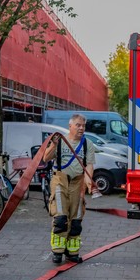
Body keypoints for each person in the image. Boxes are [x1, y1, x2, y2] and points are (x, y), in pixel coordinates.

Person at [42, 113, 96, 264]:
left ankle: (72, 252)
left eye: (83, 126)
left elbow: (89, 165)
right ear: (70, 126)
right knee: (60, 217)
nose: (81, 128)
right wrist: (53, 144)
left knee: (76, 219)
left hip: (78, 183)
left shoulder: (88, 144)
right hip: (60, 180)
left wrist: (89, 184)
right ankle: (57, 252)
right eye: (78, 125)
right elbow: (45, 158)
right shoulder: (60, 141)